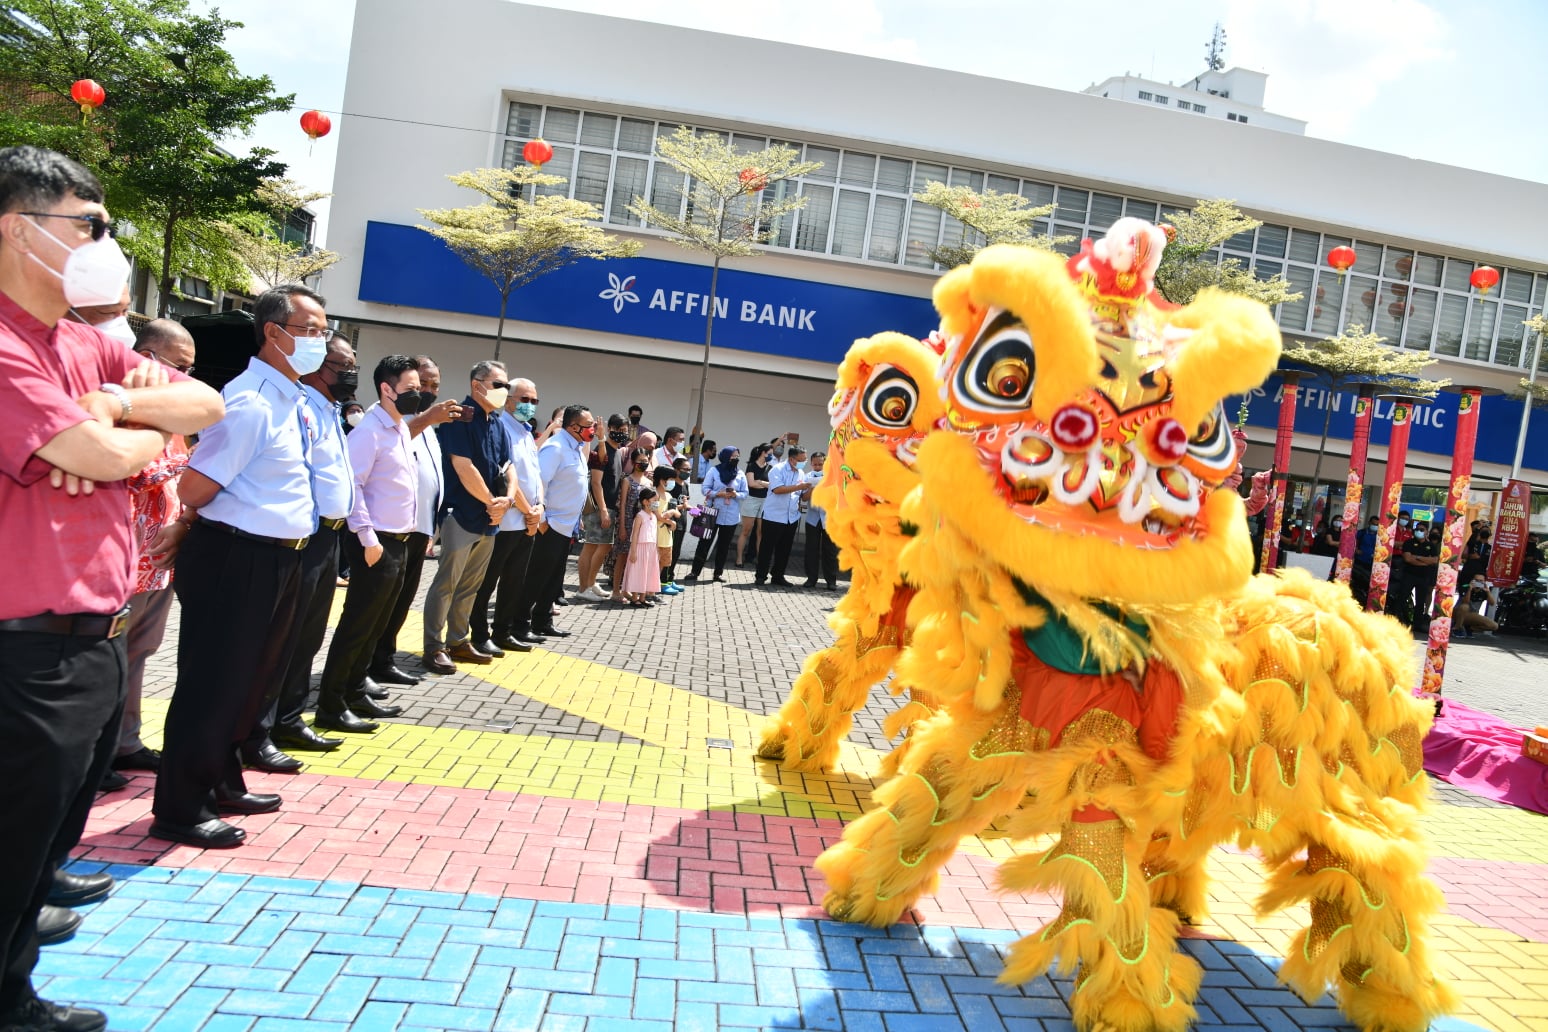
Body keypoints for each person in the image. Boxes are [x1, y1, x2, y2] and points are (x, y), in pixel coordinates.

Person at [0, 145, 222, 1032]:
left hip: (89, 634)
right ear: (19, 229)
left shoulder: (84, 341)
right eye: (86, 226)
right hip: (22, 644)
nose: (104, 244)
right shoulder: (10, 344)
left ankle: (12, 990)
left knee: (31, 848)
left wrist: (113, 408)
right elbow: (89, 457)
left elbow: (206, 405)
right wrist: (120, 427)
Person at [152, 282, 332, 852]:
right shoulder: (251, 401)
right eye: (309, 330)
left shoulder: (291, 399)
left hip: (279, 558)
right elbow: (196, 485)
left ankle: (223, 780)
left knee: (250, 683)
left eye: (324, 331)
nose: (320, 342)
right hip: (237, 554)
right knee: (213, 685)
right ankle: (181, 807)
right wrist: (183, 522)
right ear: (274, 333)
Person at [237, 333, 371, 772]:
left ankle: (289, 719)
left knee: (308, 636)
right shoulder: (300, 406)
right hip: (305, 536)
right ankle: (261, 728)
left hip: (329, 538)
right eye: (341, 364)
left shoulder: (329, 410)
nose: (350, 373)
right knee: (285, 639)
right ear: (316, 365)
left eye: (353, 364)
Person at [313, 355, 425, 735]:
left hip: (400, 541)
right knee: (357, 625)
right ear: (386, 389)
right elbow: (354, 486)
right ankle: (331, 704)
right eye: (410, 389)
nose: (418, 395)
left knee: (375, 624)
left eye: (419, 389)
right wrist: (367, 536)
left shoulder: (397, 427)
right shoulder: (369, 431)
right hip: (375, 542)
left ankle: (356, 690)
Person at [111, 320, 200, 780]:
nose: (186, 377)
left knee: (140, 653)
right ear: (146, 357)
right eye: (179, 366)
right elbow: (133, 472)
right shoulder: (116, 409)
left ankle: (125, 743)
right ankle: (97, 751)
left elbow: (179, 471)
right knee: (108, 661)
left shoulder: (174, 418)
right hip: (120, 564)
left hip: (160, 561)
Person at [371, 356, 461, 684]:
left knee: (399, 602)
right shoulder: (390, 419)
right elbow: (392, 448)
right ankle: (364, 666)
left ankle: (382, 660)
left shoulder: (428, 425)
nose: (430, 391)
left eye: (435, 386)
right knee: (377, 605)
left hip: (419, 528)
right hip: (389, 529)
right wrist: (425, 418)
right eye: (423, 384)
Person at [422, 360, 513, 674]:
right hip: (461, 514)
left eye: (506, 386)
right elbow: (463, 466)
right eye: (499, 384)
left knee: (471, 586)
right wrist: (491, 501)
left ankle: (458, 640)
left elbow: (508, 466)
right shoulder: (458, 418)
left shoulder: (497, 423)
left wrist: (508, 499)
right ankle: (434, 647)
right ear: (477, 385)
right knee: (446, 583)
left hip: (490, 519)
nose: (505, 391)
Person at [470, 378, 545, 654]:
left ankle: (504, 631)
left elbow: (535, 477)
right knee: (488, 580)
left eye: (534, 401)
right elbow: (506, 476)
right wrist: (528, 510)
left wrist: (539, 508)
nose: (529, 406)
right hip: (507, 521)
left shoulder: (526, 432)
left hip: (527, 522)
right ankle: (479, 633)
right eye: (524, 400)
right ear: (508, 399)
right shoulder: (502, 428)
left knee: (514, 581)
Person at [509, 405, 594, 643]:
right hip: (551, 525)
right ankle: (519, 624)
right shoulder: (555, 448)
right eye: (588, 425)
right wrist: (543, 521)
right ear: (573, 426)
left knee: (552, 578)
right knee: (535, 576)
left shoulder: (575, 447)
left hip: (567, 526)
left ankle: (542, 620)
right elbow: (539, 484)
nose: (592, 430)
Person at [575, 413, 626, 602]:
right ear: (609, 429)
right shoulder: (600, 451)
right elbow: (596, 483)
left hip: (610, 507)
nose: (623, 434)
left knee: (604, 546)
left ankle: (591, 582)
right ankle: (583, 587)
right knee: (591, 546)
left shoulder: (618, 453)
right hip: (599, 507)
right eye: (619, 431)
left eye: (625, 431)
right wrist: (603, 509)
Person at [685, 447, 748, 582]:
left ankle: (718, 573)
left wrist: (736, 494)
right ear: (725, 457)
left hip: (731, 516)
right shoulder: (714, 471)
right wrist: (718, 494)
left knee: (724, 546)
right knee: (704, 543)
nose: (736, 459)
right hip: (712, 514)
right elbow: (705, 489)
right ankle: (694, 572)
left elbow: (745, 493)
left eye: (737, 456)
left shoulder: (740, 474)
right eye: (733, 456)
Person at [756, 443, 812, 586]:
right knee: (767, 548)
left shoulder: (800, 474)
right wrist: (799, 487)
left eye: (805, 460)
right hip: (774, 516)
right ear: (792, 459)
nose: (804, 463)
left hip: (791, 517)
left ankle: (778, 576)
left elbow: (803, 497)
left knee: (785, 549)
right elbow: (778, 490)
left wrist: (812, 488)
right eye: (801, 460)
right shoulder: (777, 470)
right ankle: (761, 576)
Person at [608, 445, 653, 603]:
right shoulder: (627, 480)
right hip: (627, 522)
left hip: (642, 525)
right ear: (633, 462)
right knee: (622, 556)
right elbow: (622, 504)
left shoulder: (648, 483)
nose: (644, 463)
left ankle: (629, 589)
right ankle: (615, 590)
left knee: (636, 559)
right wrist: (621, 526)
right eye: (640, 461)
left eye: (646, 461)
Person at [1390, 521, 1440, 631]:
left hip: (1424, 577)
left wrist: (1417, 557)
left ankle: (1418, 624)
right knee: (1402, 597)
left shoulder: (1430, 546)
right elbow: (1408, 559)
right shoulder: (1408, 543)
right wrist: (1425, 561)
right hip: (1409, 575)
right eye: (1417, 529)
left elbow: (1434, 560)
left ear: (1427, 532)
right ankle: (1395, 620)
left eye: (1422, 530)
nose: (1419, 531)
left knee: (1420, 601)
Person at [802, 451, 839, 590]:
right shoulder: (807, 477)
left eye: (820, 464)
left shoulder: (833, 476)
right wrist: (811, 488)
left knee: (830, 551)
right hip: (813, 518)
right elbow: (804, 498)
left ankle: (831, 580)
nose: (817, 467)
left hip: (829, 518)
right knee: (811, 549)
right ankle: (811, 579)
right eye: (815, 464)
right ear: (811, 464)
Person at [620, 486, 662, 604]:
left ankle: (643, 598)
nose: (656, 503)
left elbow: (655, 534)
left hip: (651, 548)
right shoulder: (640, 516)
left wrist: (657, 549)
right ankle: (634, 598)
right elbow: (634, 535)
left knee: (647, 572)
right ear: (645, 501)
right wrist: (633, 551)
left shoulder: (654, 517)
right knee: (638, 572)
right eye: (654, 500)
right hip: (640, 548)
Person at [738, 442, 774, 565]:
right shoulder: (752, 466)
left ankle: (760, 560)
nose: (771, 456)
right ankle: (739, 559)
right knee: (746, 530)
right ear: (763, 453)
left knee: (760, 532)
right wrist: (764, 484)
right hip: (751, 499)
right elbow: (751, 484)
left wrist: (761, 482)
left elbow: (772, 485)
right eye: (769, 453)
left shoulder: (770, 468)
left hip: (765, 501)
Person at [651, 465, 683, 596]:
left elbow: (677, 513)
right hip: (656, 535)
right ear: (661, 479)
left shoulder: (669, 495)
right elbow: (657, 515)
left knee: (663, 563)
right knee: (653, 564)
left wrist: (672, 516)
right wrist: (670, 517)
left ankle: (655, 588)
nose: (671, 482)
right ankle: (651, 590)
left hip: (667, 536)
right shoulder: (654, 495)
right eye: (669, 479)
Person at [1453, 573, 1500, 637]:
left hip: (1472, 615)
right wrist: (1470, 589)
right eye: (1477, 580)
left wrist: (1488, 591)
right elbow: (1465, 602)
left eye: (1481, 581)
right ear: (1472, 580)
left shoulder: (1484, 591)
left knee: (1494, 626)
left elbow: (1492, 603)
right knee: (1465, 607)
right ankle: (1457, 628)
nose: (1479, 582)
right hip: (1458, 613)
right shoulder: (1466, 587)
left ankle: (1469, 628)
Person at [668, 455, 693, 577]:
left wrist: (692, 509)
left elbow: (684, 504)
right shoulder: (670, 486)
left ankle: (670, 576)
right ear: (676, 469)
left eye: (689, 470)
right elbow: (667, 506)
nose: (687, 472)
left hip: (682, 523)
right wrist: (683, 507)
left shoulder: (685, 486)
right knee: (668, 552)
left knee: (676, 552)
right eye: (685, 469)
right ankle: (664, 577)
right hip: (670, 524)